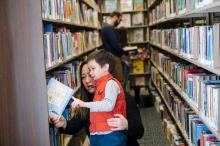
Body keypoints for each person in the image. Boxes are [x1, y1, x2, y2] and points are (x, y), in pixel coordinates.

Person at [51, 60, 144, 146]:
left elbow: (139, 131)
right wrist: (64, 123)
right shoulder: (87, 103)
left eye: (91, 75)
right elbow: (74, 126)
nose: (87, 81)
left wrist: (127, 124)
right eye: (83, 77)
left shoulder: (122, 97)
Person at [71, 49, 127, 146]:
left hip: (110, 135)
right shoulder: (100, 86)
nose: (91, 73)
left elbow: (108, 105)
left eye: (93, 69)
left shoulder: (111, 84)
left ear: (105, 67)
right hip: (98, 133)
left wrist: (84, 104)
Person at [101, 11, 128, 85]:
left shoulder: (104, 27)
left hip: (109, 57)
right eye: (119, 20)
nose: (119, 22)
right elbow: (115, 45)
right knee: (119, 81)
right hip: (114, 58)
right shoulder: (109, 28)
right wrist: (125, 52)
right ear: (115, 17)